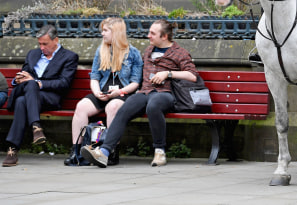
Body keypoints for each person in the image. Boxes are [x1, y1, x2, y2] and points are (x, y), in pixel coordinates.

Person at [81, 19, 199, 168]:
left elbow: (192, 75)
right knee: (124, 108)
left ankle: (160, 151)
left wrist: (168, 74)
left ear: (164, 37)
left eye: (152, 33)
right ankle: (104, 152)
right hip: (145, 92)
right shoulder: (149, 50)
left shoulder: (179, 52)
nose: (148, 35)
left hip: (166, 94)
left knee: (153, 106)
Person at [64, 17, 143, 166]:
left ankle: (110, 151)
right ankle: (76, 151)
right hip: (102, 93)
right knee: (81, 106)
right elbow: (94, 76)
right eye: (103, 30)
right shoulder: (101, 51)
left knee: (112, 107)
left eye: (106, 30)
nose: (102, 33)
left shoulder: (133, 53)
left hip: (124, 94)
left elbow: (135, 83)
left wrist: (119, 92)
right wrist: (96, 92)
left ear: (117, 32)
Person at [2, 25, 79, 167]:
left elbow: (64, 83)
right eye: (40, 44)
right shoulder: (33, 54)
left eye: (45, 44)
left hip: (49, 98)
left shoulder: (69, 57)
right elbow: (24, 74)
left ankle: (12, 150)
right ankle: (36, 127)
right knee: (26, 92)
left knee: (23, 99)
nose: (42, 47)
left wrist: (37, 83)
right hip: (26, 92)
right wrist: (17, 79)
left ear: (55, 40)